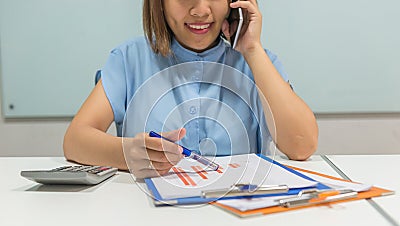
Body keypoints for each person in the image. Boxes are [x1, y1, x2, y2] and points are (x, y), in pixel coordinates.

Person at [63, 0, 318, 179]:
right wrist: (126, 153)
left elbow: (302, 146)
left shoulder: (259, 62)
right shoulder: (129, 59)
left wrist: (252, 49)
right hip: (149, 218)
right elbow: (75, 140)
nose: (200, 10)